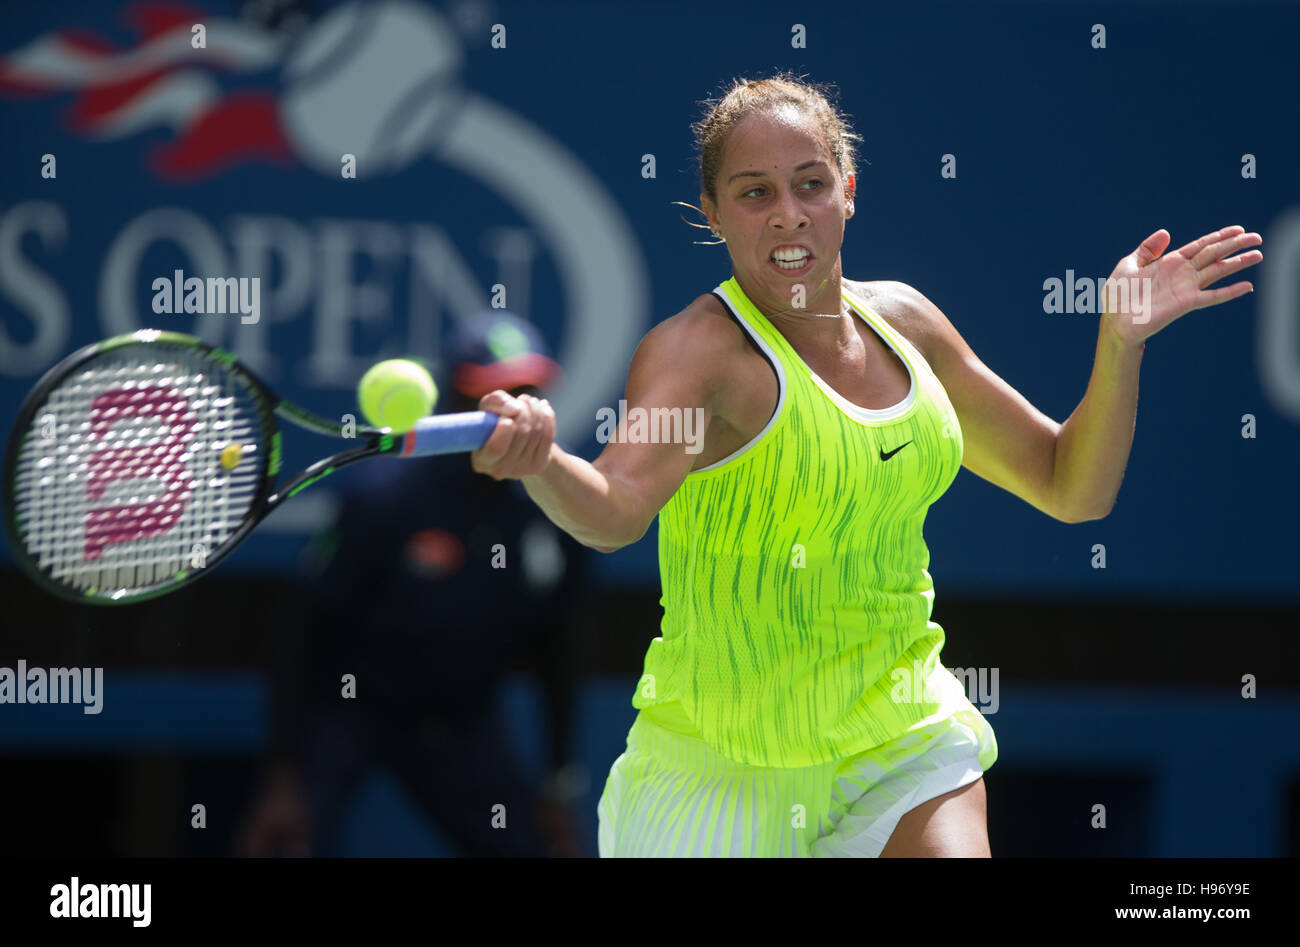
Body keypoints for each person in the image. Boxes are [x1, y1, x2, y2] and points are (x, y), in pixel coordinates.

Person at [466, 71, 1263, 857]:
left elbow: (1069, 486)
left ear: (847, 189)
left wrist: (1119, 344)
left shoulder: (909, 324)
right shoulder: (698, 354)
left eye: (810, 184)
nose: (789, 216)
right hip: (716, 770)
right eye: (754, 194)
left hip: (899, 730)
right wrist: (544, 462)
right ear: (712, 215)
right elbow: (615, 509)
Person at [236, 310, 591, 858]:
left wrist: (556, 785)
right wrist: (284, 775)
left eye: (528, 393)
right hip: (351, 709)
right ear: (455, 399)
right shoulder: (383, 498)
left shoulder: (553, 513)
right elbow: (303, 627)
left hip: (462, 721)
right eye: (495, 395)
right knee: (287, 846)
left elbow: (557, 648)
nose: (515, 412)